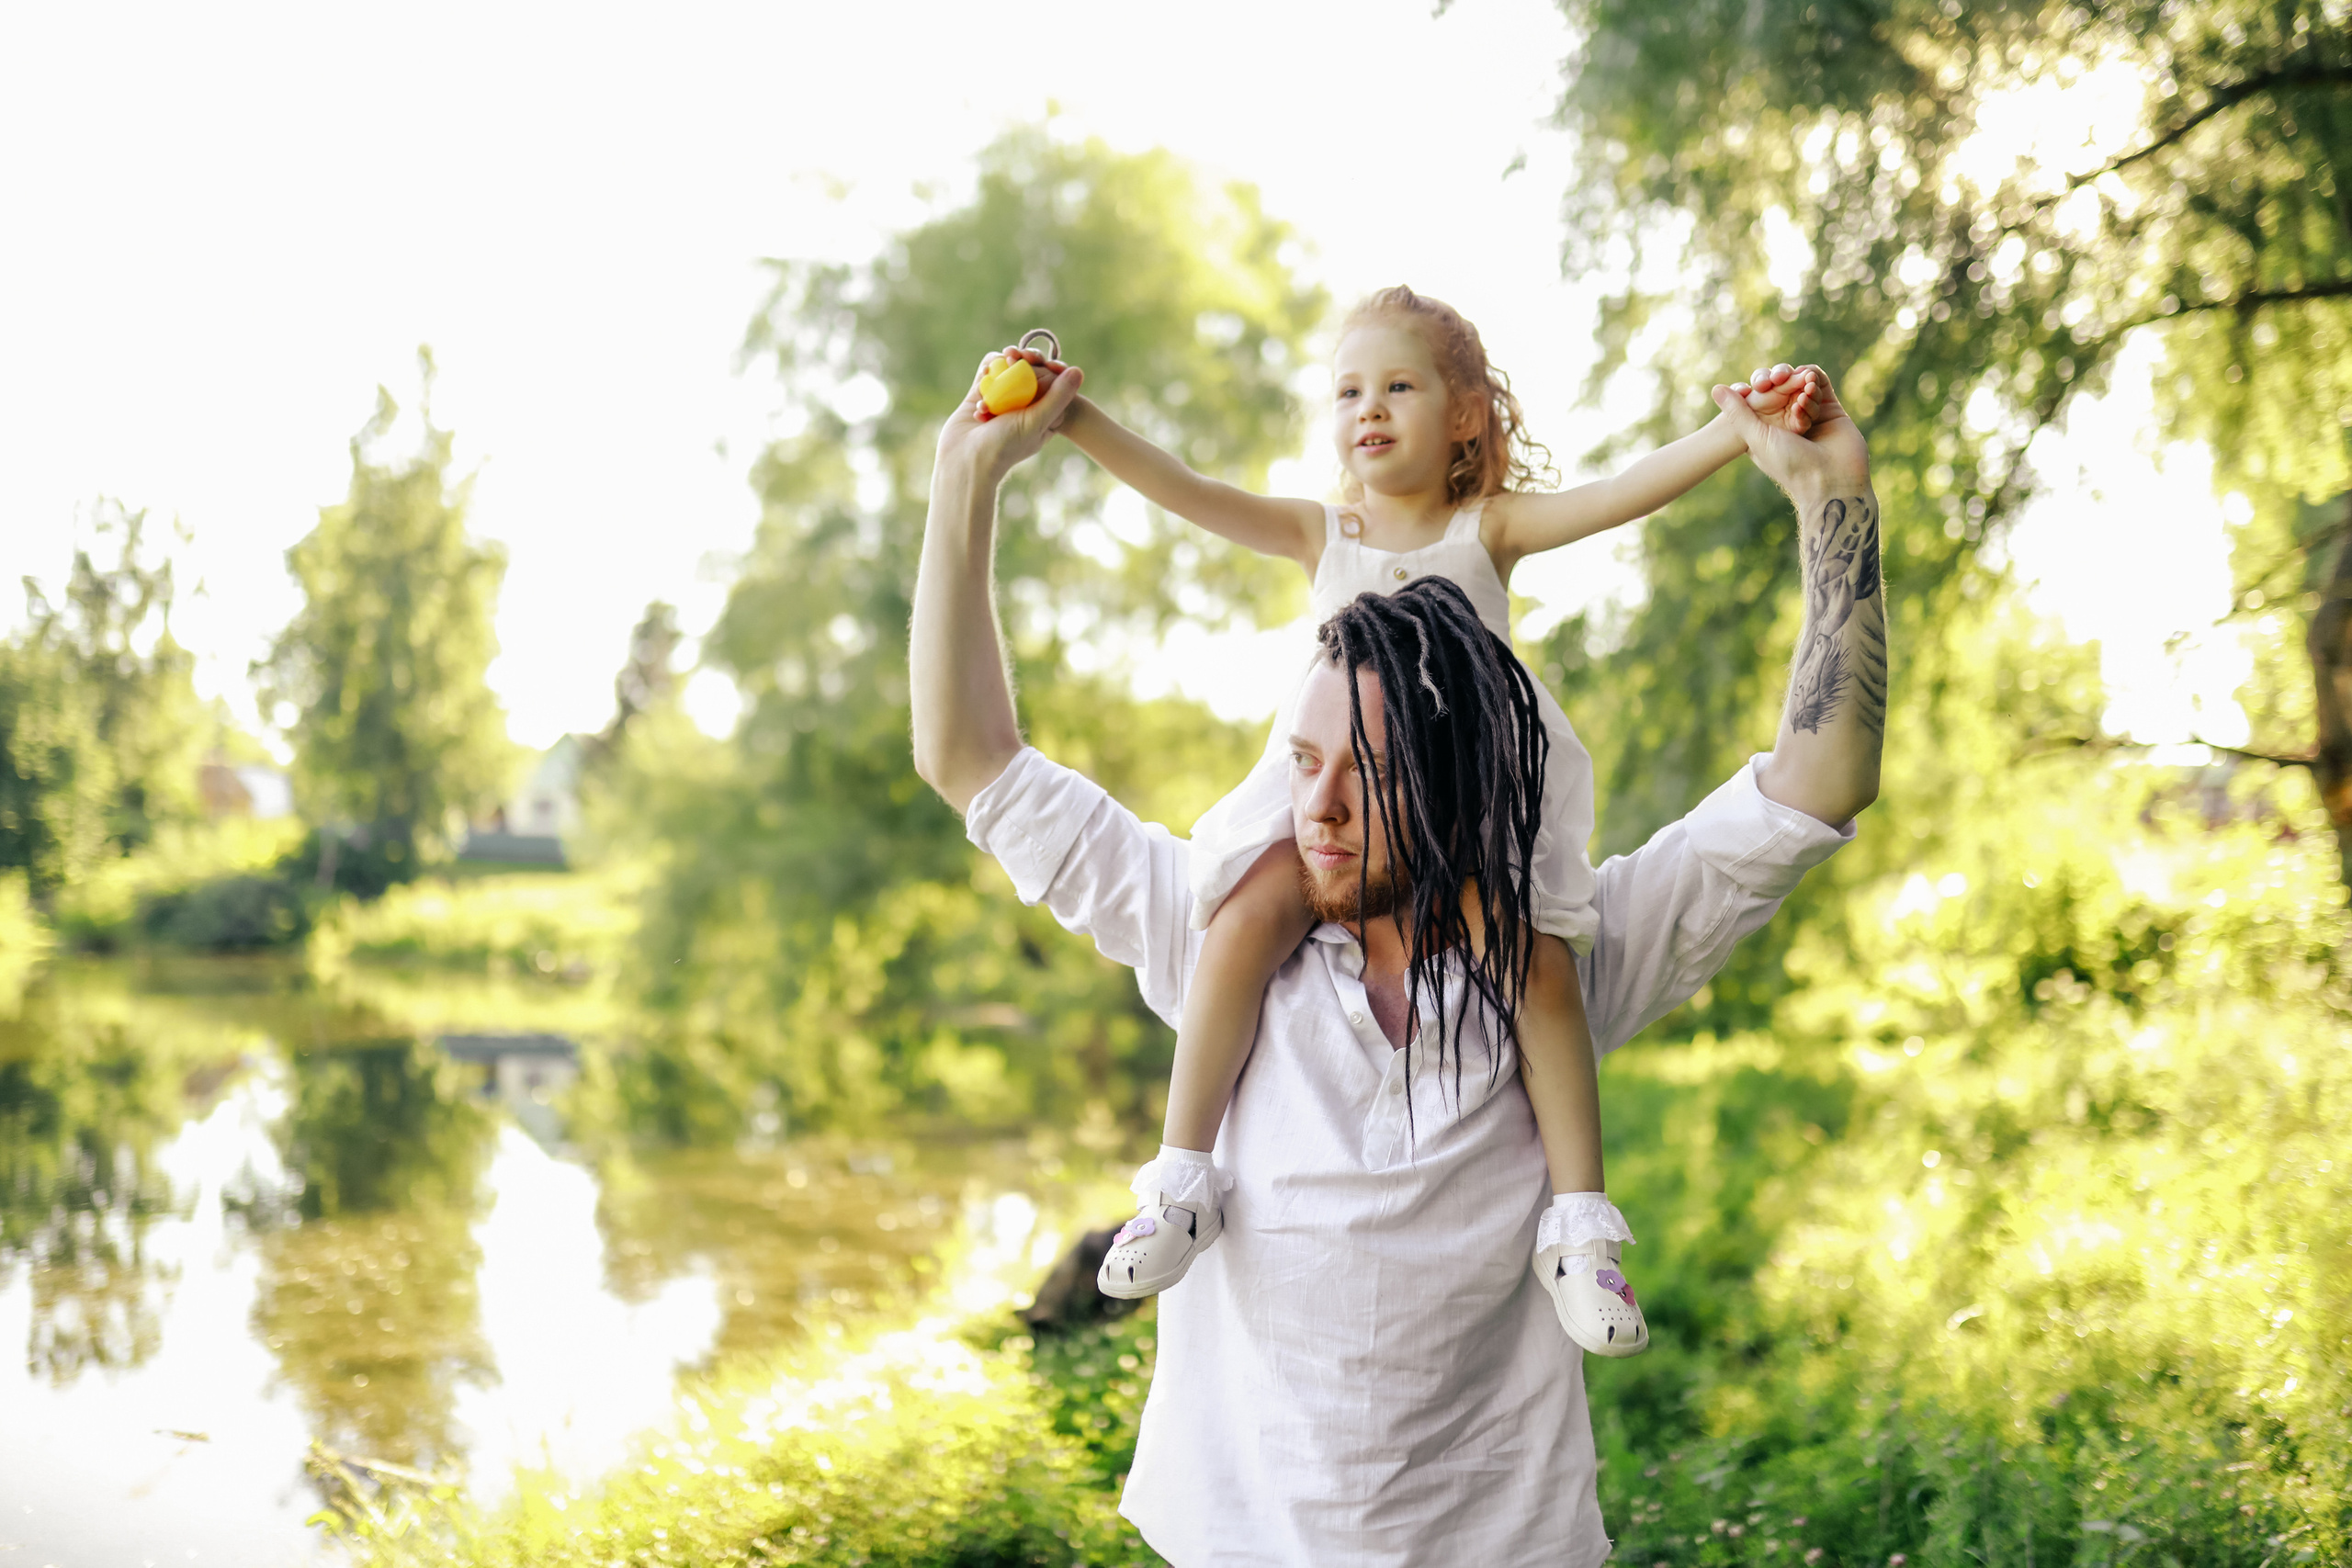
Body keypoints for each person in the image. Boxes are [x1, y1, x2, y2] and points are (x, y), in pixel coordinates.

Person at [912, 344, 1883, 1565]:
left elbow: (1820, 779)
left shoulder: (1561, 971)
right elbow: (971, 756)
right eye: (1303, 762)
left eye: (1363, 775)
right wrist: (969, 476)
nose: (1314, 809)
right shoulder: (1215, 932)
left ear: (1458, 788)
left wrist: (1832, 497)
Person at [984, 288, 1827, 1358]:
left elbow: (1619, 495)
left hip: (1464, 809)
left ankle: (1577, 1232)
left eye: (1397, 385)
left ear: (1466, 413)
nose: (1366, 409)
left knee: (1534, 967)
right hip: (1340, 800)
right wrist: (1070, 417)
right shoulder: (1318, 529)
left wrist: (1732, 431)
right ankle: (1181, 1181)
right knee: (1241, 922)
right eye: (1346, 391)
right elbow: (1187, 491)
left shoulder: (1490, 529)